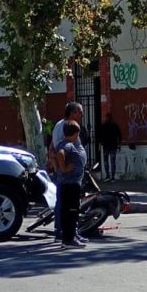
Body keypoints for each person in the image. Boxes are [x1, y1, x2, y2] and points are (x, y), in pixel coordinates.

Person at [50, 102, 86, 243]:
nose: (82, 114)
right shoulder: (64, 127)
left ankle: (70, 233)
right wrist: (62, 168)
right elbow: (58, 151)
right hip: (68, 179)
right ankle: (64, 234)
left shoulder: (66, 125)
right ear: (72, 112)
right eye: (79, 112)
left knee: (69, 206)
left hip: (71, 178)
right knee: (68, 207)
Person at [98, 113, 122, 182]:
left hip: (106, 146)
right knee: (112, 162)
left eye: (105, 117)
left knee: (106, 162)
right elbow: (119, 135)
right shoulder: (114, 125)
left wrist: (101, 143)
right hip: (113, 145)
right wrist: (119, 144)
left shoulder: (104, 126)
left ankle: (108, 176)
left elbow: (100, 136)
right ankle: (112, 177)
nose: (105, 119)